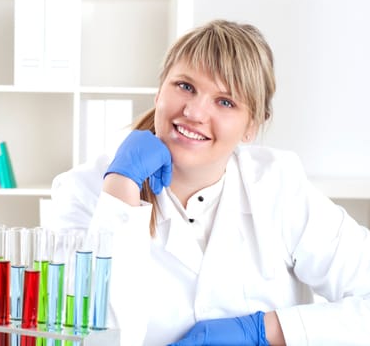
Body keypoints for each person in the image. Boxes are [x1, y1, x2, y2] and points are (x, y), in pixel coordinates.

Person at [49, 19, 370, 345]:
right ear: (160, 90)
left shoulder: (278, 183)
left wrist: (265, 331)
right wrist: (121, 188)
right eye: (185, 86)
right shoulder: (84, 191)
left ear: (252, 127)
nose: (194, 111)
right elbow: (82, 334)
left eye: (225, 102)